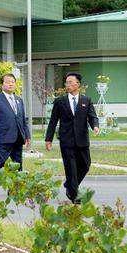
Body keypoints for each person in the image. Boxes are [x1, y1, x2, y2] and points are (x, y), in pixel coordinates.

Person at [45, 72, 99, 204]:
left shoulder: (86, 100)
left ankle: (69, 184)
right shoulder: (60, 102)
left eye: (70, 82)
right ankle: (74, 195)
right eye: (66, 83)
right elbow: (53, 121)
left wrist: (95, 126)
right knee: (71, 168)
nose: (67, 85)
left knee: (86, 165)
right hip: (66, 141)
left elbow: (92, 117)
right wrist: (48, 139)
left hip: (82, 140)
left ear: (77, 84)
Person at [0, 74, 31, 170]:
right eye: (7, 82)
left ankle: (17, 184)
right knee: (0, 161)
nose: (10, 84)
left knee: (18, 164)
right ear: (2, 85)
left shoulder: (19, 100)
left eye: (12, 82)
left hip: (18, 137)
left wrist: (27, 135)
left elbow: (23, 120)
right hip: (4, 137)